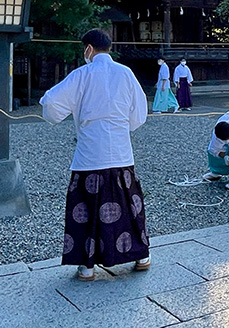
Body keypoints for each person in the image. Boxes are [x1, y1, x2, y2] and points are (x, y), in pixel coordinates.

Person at [40, 28, 150, 281]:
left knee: (87, 208)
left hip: (90, 154)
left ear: (88, 49)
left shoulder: (82, 74)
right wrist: (122, 126)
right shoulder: (126, 73)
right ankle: (141, 256)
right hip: (121, 152)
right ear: (108, 48)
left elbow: (52, 105)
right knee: (128, 205)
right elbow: (139, 114)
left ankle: (87, 266)